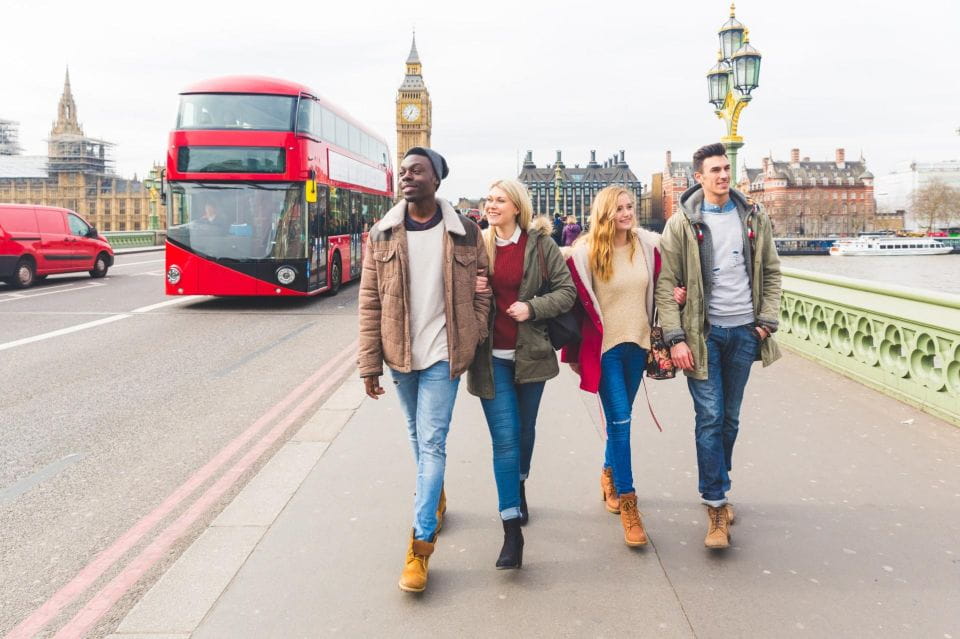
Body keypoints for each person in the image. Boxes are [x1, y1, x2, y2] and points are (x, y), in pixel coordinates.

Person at [358, 147, 491, 592]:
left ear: (437, 179)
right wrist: (369, 363)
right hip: (400, 356)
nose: (406, 176)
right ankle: (434, 498)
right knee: (417, 435)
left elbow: (482, 292)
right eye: (404, 171)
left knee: (432, 443)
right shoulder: (381, 233)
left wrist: (474, 332)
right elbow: (370, 301)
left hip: (442, 356)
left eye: (417, 171)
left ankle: (420, 546)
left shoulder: (467, 232)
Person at [654, 142, 782, 550]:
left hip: (744, 331)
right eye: (715, 170)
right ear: (699, 177)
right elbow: (664, 283)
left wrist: (765, 324)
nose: (723, 175)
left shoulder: (754, 216)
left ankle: (719, 482)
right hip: (702, 336)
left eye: (727, 168)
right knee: (709, 418)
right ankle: (715, 504)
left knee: (730, 419)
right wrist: (675, 338)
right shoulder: (682, 224)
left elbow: (772, 272)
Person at [561, 186, 684, 547]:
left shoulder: (648, 247)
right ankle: (630, 505)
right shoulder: (584, 255)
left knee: (622, 420)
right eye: (619, 209)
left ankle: (607, 473)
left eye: (630, 207)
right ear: (604, 214)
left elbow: (666, 285)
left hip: (639, 346)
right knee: (621, 422)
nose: (627, 214)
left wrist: (676, 293)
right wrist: (573, 354)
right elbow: (570, 302)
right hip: (606, 350)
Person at [466, 179, 576, 570]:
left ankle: (520, 482)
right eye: (488, 198)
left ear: (517, 207)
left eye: (499, 200)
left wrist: (532, 307)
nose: (491, 205)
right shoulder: (478, 244)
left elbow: (567, 292)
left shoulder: (542, 246)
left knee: (525, 432)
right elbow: (456, 293)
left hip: (531, 355)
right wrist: (471, 286)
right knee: (506, 440)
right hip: (490, 357)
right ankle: (512, 531)